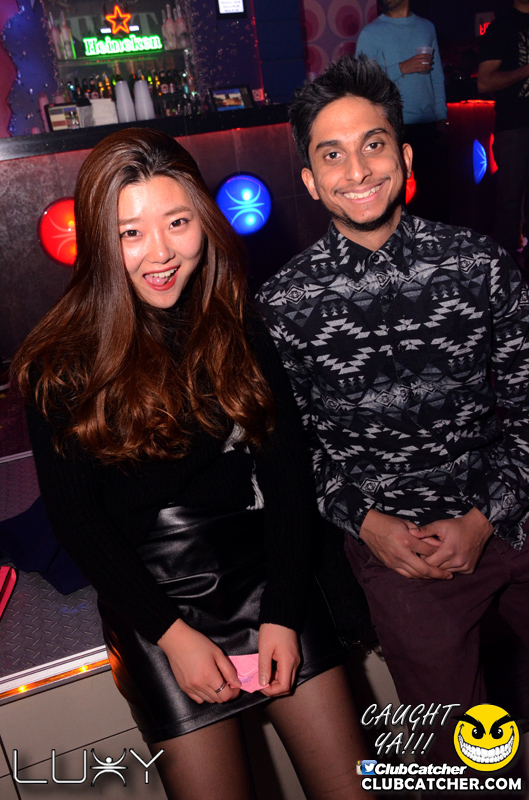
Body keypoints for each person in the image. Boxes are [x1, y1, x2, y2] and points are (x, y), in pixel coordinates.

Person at [12, 128, 367, 800]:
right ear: (99, 240)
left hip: (265, 574)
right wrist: (171, 636)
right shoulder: (58, 362)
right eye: (131, 232)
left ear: (203, 219)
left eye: (178, 222)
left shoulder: (236, 324)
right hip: (150, 597)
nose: (161, 252)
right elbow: (79, 523)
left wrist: (283, 611)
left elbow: (289, 480)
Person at [256, 55, 529, 767]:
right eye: (332, 154)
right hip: (400, 554)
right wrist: (368, 525)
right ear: (310, 180)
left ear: (404, 157)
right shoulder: (282, 306)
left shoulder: (480, 265)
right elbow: (288, 453)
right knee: (462, 760)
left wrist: (484, 518)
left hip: (512, 516)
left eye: (373, 144)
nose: (357, 169)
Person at [356, 0, 448, 221]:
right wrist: (401, 68)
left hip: (427, 125)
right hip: (391, 127)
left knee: (434, 197)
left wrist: (442, 117)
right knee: (395, 198)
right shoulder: (370, 33)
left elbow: (436, 77)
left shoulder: (426, 27)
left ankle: (431, 242)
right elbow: (361, 82)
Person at [478, 0, 529, 257]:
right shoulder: (502, 27)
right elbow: (484, 83)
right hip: (515, 126)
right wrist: (526, 71)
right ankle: (504, 269)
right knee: (510, 201)